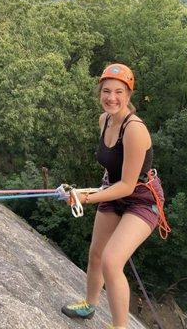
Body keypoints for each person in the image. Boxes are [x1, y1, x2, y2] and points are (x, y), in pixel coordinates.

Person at [61, 63, 170, 329]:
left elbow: (128, 185)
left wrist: (86, 198)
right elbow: (111, 170)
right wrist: (85, 191)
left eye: (119, 92)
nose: (112, 97)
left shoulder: (134, 129)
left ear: (129, 95)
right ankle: (89, 305)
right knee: (96, 253)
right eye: (106, 91)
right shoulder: (104, 120)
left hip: (141, 199)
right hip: (114, 188)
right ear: (100, 93)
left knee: (111, 261)